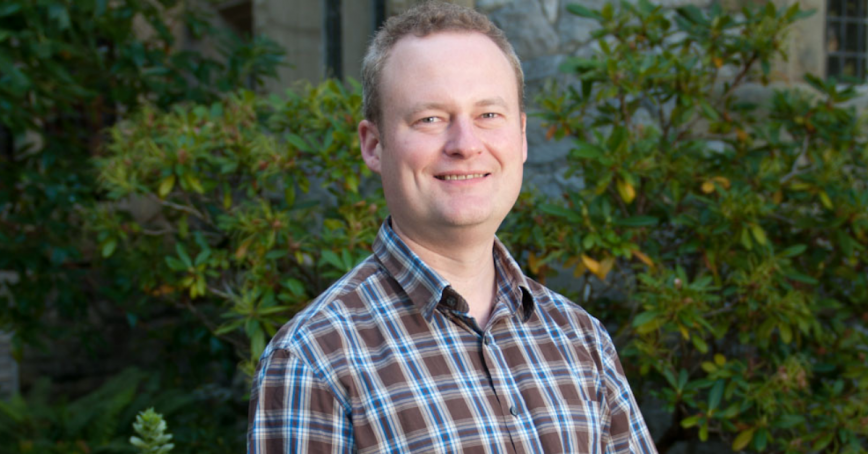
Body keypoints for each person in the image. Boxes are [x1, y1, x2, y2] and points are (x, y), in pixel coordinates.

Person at [247, 2, 656, 453]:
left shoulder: (582, 339)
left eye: (488, 115)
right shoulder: (314, 360)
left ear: (521, 136)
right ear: (374, 144)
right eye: (430, 118)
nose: (465, 144)